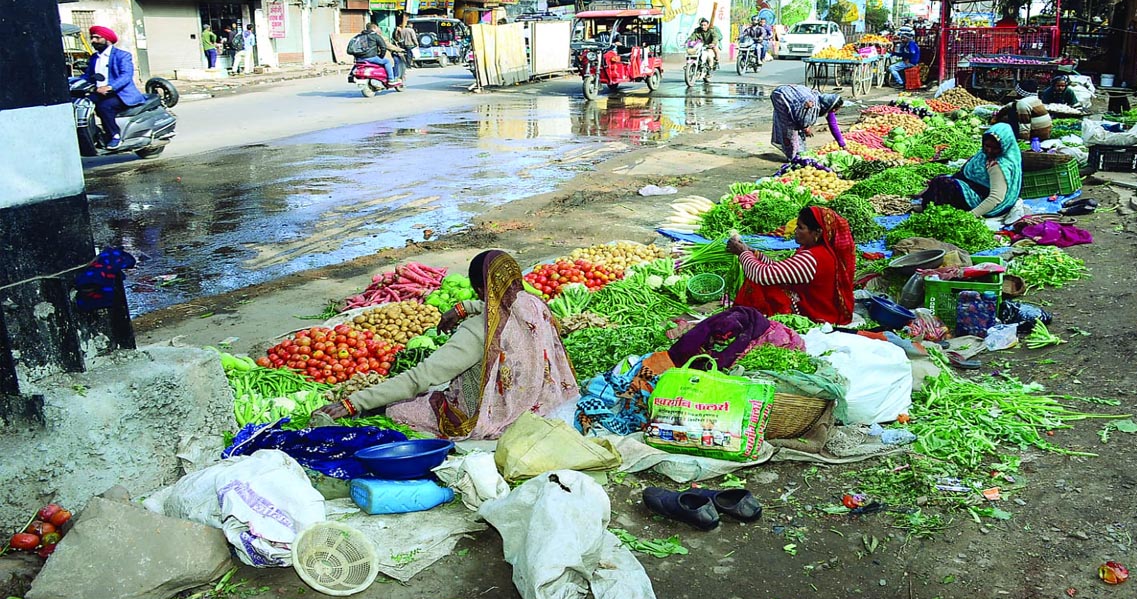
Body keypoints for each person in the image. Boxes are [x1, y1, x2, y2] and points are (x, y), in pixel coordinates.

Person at [317, 250, 578, 439]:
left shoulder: (480, 332)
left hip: (498, 414)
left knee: (404, 407)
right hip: (542, 400)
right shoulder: (534, 305)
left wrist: (355, 402)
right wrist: (464, 308)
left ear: (478, 288)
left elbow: (421, 377)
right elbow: (500, 306)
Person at [576, 306, 804, 435]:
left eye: (726, 339)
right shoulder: (709, 329)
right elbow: (681, 352)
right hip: (673, 370)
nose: (721, 342)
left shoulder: (771, 338)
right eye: (719, 338)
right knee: (637, 380)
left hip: (702, 386)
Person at [727, 206, 857, 326]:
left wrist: (742, 253)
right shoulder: (818, 251)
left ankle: (749, 321)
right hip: (815, 307)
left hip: (815, 316)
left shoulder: (812, 257)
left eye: (801, 228)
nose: (795, 231)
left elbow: (762, 275)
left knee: (762, 285)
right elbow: (779, 270)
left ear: (817, 233)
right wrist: (752, 252)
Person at [918, 118, 1024, 218]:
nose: (989, 150)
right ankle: (927, 208)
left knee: (945, 184)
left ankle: (931, 211)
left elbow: (995, 198)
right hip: (975, 188)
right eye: (987, 146)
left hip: (981, 200)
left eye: (995, 148)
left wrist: (970, 215)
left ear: (1004, 146)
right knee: (940, 180)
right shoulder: (983, 155)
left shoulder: (998, 166)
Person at [77, 26, 147, 150]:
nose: (93, 40)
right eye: (92, 38)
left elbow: (126, 75)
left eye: (97, 38)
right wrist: (74, 82)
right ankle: (92, 135)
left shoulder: (122, 56)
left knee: (104, 106)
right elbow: (88, 75)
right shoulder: (94, 58)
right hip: (100, 92)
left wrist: (110, 87)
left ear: (107, 40)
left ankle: (115, 136)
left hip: (121, 94)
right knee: (83, 104)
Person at [769, 84, 843, 160]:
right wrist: (805, 127)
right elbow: (800, 120)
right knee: (790, 127)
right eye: (835, 109)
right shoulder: (812, 105)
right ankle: (793, 156)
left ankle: (799, 152)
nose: (835, 111)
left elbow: (832, 123)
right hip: (782, 97)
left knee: (799, 127)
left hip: (793, 97)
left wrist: (842, 144)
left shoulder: (827, 104)